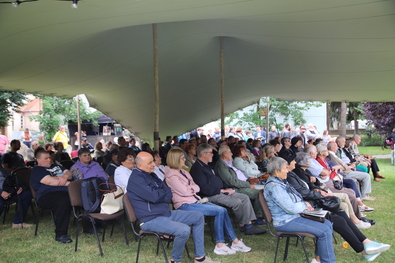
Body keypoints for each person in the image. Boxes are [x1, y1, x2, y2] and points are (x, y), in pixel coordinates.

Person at [286, 154, 390, 261]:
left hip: (311, 203)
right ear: (286, 165)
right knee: (338, 219)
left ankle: (366, 242)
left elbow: (308, 186)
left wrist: (317, 189)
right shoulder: (288, 176)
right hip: (306, 208)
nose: (295, 162)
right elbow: (303, 193)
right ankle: (364, 249)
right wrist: (321, 194)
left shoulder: (292, 173)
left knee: (340, 212)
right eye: (293, 161)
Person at [127, 151, 220, 263]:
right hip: (150, 219)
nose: (153, 164)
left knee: (198, 216)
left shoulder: (151, 174)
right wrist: (159, 193)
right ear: (140, 165)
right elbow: (154, 196)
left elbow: (167, 192)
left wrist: (158, 193)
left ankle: (200, 258)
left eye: (153, 161)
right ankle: (175, 260)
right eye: (150, 162)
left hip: (165, 214)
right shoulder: (136, 179)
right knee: (183, 230)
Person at [165, 148, 252, 255]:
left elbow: (197, 187)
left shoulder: (183, 172)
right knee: (220, 211)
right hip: (185, 205)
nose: (184, 160)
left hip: (195, 201)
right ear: (175, 160)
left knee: (222, 210)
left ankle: (234, 241)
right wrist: (191, 188)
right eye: (182, 158)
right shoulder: (171, 176)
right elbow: (184, 192)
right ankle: (220, 244)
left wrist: (191, 187)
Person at [264, 157, 336, 263]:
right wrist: (304, 205)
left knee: (327, 223)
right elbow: (291, 208)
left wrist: (305, 204)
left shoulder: (280, 181)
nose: (288, 170)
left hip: (294, 216)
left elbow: (296, 198)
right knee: (324, 231)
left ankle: (319, 259)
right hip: (285, 221)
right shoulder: (275, 187)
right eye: (285, 168)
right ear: (277, 171)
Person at [187, 145, 265, 235]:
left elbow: (219, 180)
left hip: (221, 191)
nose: (213, 155)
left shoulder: (208, 166)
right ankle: (246, 225)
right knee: (237, 202)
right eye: (211, 153)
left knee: (244, 197)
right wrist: (221, 191)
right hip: (210, 195)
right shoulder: (197, 168)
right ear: (204, 154)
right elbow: (204, 188)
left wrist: (226, 188)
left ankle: (247, 224)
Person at [214, 145, 265, 224]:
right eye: (230, 152)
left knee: (263, 190)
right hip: (236, 188)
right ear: (224, 153)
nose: (231, 154)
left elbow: (239, 176)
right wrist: (247, 184)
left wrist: (248, 180)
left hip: (243, 183)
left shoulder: (228, 162)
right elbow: (231, 182)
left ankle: (260, 215)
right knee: (259, 193)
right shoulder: (221, 165)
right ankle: (258, 217)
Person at [30, 150, 73, 243]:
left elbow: (69, 173)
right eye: (46, 158)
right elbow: (51, 182)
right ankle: (61, 234)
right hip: (46, 196)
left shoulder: (56, 166)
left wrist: (64, 177)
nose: (49, 160)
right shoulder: (37, 170)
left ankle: (89, 226)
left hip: (66, 191)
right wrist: (71, 184)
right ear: (38, 160)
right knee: (63, 200)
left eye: (49, 158)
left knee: (86, 194)